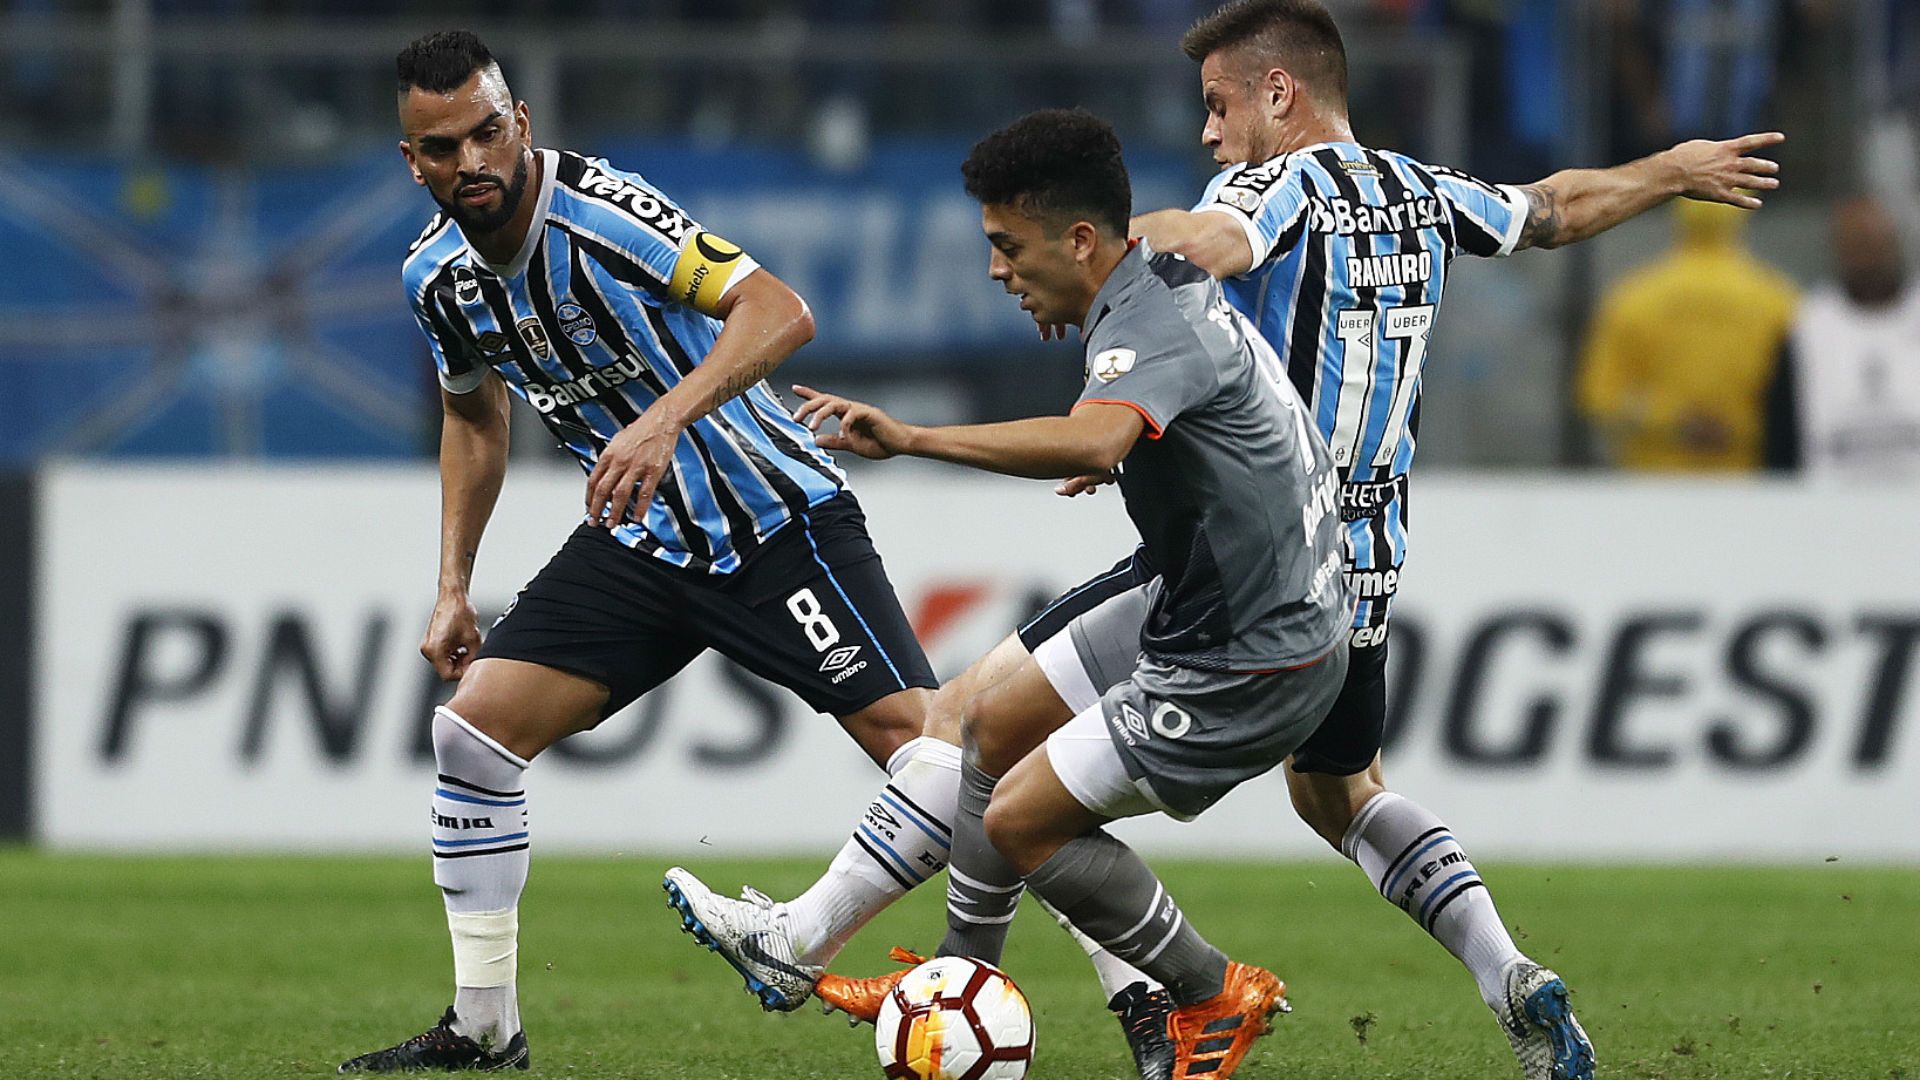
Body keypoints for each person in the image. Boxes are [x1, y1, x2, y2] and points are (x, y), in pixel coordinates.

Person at [674, 4, 1783, 1078]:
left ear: (1280, 92)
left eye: (1218, 106)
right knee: (1339, 795)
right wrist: (1672, 170)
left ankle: (842, 950)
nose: (1210, 132)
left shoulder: (1277, 183)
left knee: (971, 725)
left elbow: (1215, 238)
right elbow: (1552, 208)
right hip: (1369, 565)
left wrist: (1113, 252)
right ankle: (1509, 972)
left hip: (1239, 552)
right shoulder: (1422, 189)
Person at [338, 29, 962, 1071]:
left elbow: (780, 311)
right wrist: (452, 585)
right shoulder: (435, 279)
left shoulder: (605, 214)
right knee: (472, 738)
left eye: (488, 133)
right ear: (414, 162)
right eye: (442, 148)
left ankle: (1140, 974)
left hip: (773, 519)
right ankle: (484, 1029)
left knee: (941, 758)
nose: (472, 162)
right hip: (641, 544)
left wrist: (664, 417)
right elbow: (474, 418)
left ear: (520, 123)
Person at [800, 106, 1355, 1080]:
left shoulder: (1152, 320)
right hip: (1218, 599)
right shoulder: (1156, 288)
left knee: (1019, 819)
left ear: (1083, 239)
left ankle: (1210, 991)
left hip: (1254, 653)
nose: (996, 271)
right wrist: (1141, 443)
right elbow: (1182, 419)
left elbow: (1096, 434)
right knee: (990, 725)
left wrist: (917, 439)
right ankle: (957, 983)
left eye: (1008, 247)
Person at [1578, 199, 1798, 471]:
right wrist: (1738, 426)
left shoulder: (1633, 298)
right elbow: (1801, 404)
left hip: (1653, 482)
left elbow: (1601, 398)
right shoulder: (1779, 301)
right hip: (1745, 481)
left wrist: (1672, 422)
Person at [1765, 196, 1920, 479]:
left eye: (1874, 246)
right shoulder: (1808, 327)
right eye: (1856, 248)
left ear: (1895, 244)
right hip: (1830, 505)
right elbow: (1781, 435)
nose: (1867, 259)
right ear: (1837, 251)